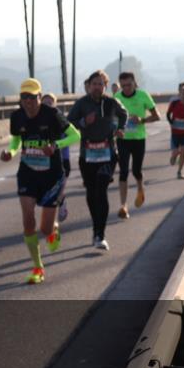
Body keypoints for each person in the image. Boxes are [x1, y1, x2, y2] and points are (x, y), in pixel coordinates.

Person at [1, 80, 80, 283]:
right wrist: (10, 151)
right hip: (27, 172)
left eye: (32, 97)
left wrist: (56, 145)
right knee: (28, 220)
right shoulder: (17, 116)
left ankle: (52, 231)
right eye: (24, 97)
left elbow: (75, 135)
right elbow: (16, 139)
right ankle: (38, 268)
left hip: (52, 175)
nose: (28, 101)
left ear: (39, 96)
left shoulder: (52, 114)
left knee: (45, 228)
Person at [67, 70, 128, 251]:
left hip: (108, 153)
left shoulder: (111, 102)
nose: (97, 87)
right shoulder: (82, 104)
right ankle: (96, 228)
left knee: (101, 189)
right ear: (89, 85)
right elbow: (69, 123)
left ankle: (100, 234)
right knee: (92, 193)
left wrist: (120, 128)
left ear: (105, 86)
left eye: (100, 84)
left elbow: (123, 113)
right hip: (87, 154)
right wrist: (84, 122)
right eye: (94, 83)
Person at [114, 72, 160, 219]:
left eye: (129, 85)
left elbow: (157, 116)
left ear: (135, 83)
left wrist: (142, 120)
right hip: (123, 139)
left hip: (139, 139)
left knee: (136, 170)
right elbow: (111, 118)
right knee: (123, 172)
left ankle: (140, 187)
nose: (126, 88)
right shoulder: (117, 98)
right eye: (123, 86)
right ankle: (123, 206)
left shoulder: (143, 95)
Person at [41, 92, 71, 222]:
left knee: (56, 192)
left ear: (55, 104)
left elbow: (69, 138)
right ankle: (60, 201)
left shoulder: (59, 119)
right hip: (42, 161)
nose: (47, 105)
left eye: (50, 102)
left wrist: (65, 158)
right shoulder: (36, 119)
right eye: (44, 102)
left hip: (61, 159)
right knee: (47, 191)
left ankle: (60, 204)